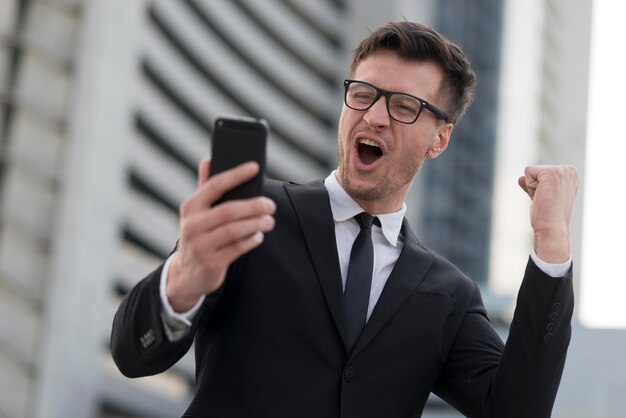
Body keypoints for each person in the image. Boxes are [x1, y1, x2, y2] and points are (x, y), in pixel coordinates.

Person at [111, 21, 579, 418]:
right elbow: (135, 353)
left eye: (402, 106)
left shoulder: (449, 296)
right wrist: (183, 282)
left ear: (439, 140)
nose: (374, 116)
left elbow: (519, 410)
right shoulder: (253, 217)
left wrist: (552, 245)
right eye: (363, 94)